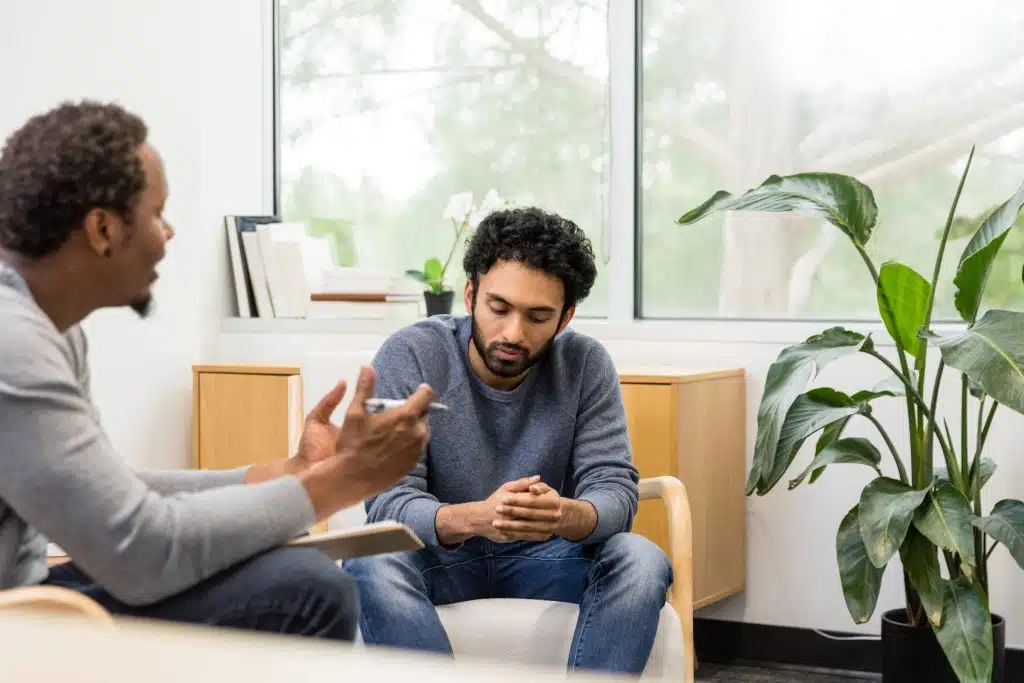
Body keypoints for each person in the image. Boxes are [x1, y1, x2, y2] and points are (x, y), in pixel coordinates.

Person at [0, 99, 435, 639]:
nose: (170, 232)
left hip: (31, 592)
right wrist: (341, 482)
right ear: (103, 228)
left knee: (296, 575)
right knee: (309, 592)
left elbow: (109, 492)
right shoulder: (14, 343)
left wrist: (286, 473)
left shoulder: (50, 329)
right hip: (16, 616)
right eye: (157, 213)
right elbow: (143, 550)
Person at [343, 207, 672, 675]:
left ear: (565, 318)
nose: (513, 334)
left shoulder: (585, 364)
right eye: (499, 309)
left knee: (640, 558)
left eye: (538, 317)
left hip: (548, 557)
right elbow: (387, 503)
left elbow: (615, 490)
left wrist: (565, 513)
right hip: (441, 560)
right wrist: (477, 518)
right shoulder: (413, 354)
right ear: (471, 294)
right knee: (370, 562)